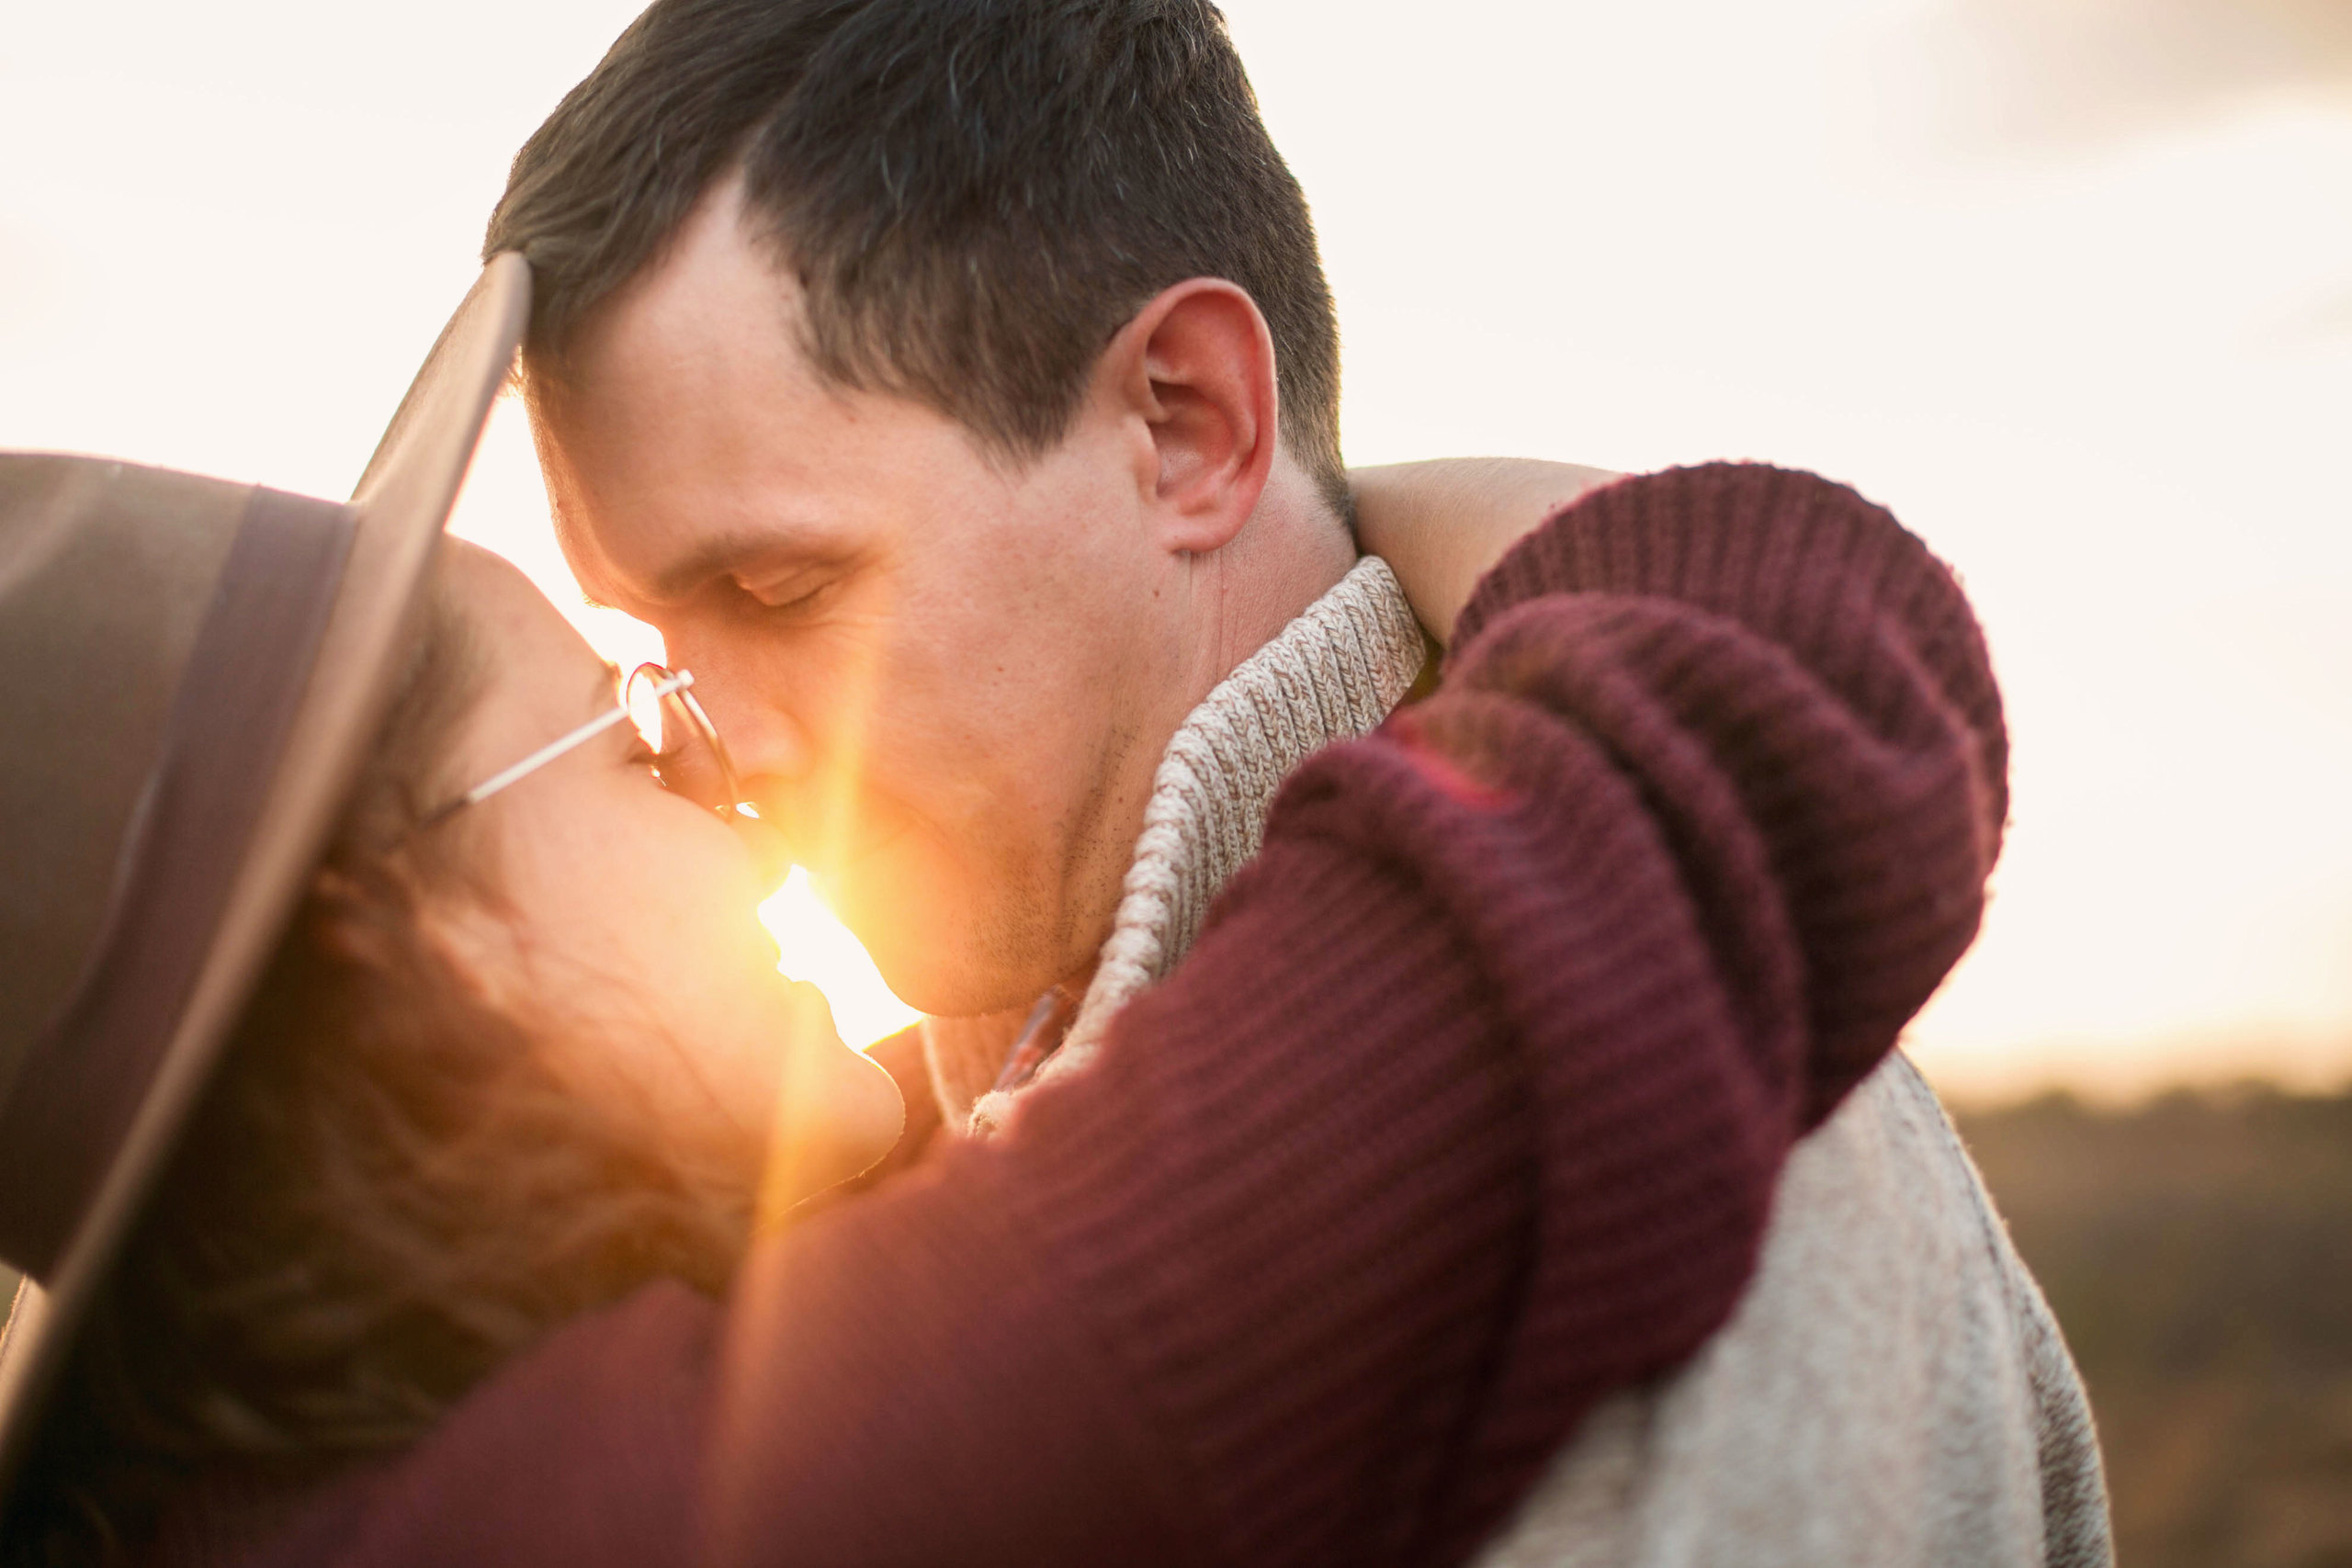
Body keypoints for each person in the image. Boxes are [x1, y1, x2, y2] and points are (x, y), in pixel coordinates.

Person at [5, 259, 1986, 1562]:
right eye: (626, 738)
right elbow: (1779, 672)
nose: (740, 783)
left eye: (765, 610)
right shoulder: (737, 1492)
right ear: (414, 944)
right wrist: (1318, 506)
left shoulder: (293, 1478)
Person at [486, 0, 2113, 1562]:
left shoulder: (1644, 1160)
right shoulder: (965, 1125)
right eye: (659, 647)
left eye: (782, 593)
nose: (719, 752)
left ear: (1188, 425)